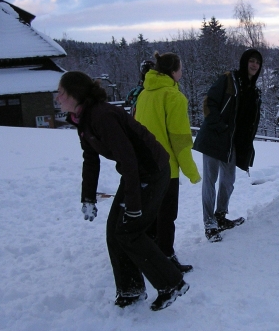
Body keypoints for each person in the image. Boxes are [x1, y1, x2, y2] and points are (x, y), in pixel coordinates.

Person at [57, 71, 189, 310]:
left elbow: (129, 160)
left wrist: (135, 207)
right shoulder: (83, 120)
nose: (58, 98)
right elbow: (91, 158)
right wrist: (88, 197)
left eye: (61, 93)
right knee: (114, 231)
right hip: (136, 173)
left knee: (130, 231)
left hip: (151, 171)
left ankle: (172, 283)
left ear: (75, 94)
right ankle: (131, 291)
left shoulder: (102, 116)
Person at [135, 52, 201, 273]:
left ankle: (150, 255)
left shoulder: (144, 94)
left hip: (144, 166)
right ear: (173, 72)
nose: (182, 71)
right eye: (180, 67)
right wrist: (192, 172)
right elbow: (180, 141)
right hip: (166, 169)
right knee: (167, 216)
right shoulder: (173, 97)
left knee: (151, 214)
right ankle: (166, 257)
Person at [193, 48, 263, 242]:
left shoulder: (254, 90)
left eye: (257, 62)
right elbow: (209, 102)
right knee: (210, 180)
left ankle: (220, 216)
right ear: (244, 62)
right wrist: (219, 126)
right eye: (251, 61)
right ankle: (209, 223)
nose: (254, 65)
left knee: (228, 181)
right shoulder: (229, 79)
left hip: (231, 142)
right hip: (215, 138)